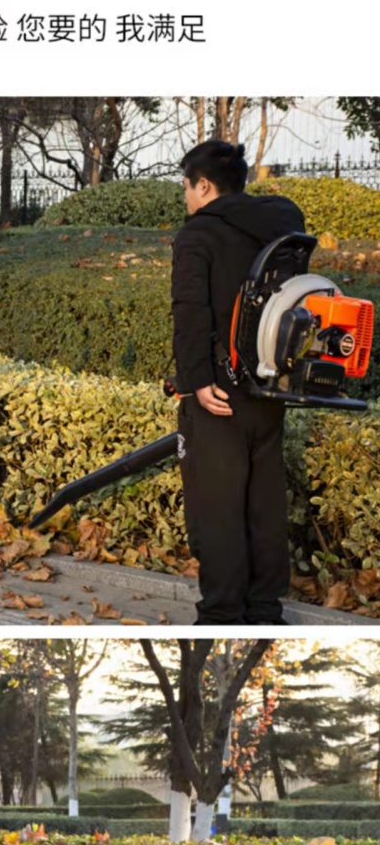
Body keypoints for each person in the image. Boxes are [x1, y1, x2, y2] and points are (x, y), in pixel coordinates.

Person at [171, 140, 306, 624]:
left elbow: (190, 312)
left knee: (218, 509)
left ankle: (223, 613)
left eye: (186, 187)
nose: (185, 198)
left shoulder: (198, 234)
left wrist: (195, 382)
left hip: (220, 394)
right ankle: (265, 608)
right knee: (264, 504)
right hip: (272, 385)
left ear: (203, 185)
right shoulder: (284, 222)